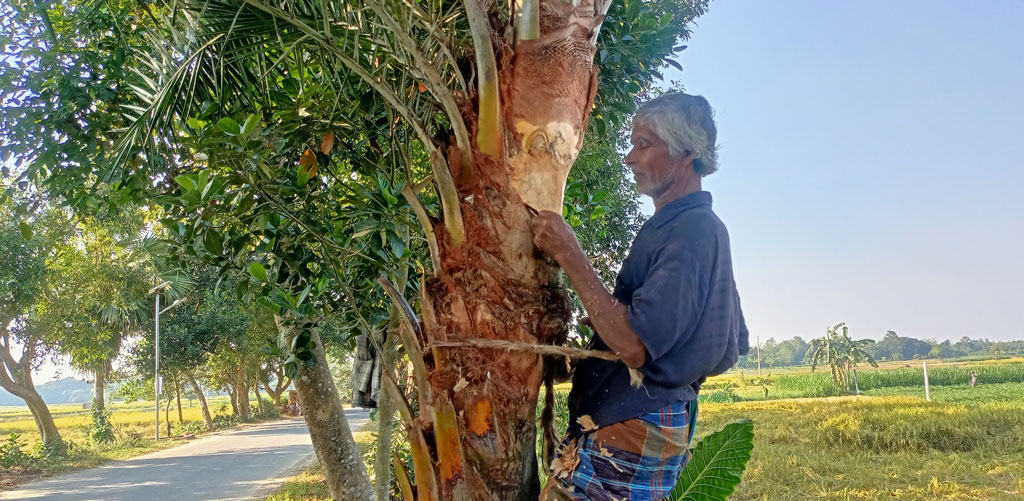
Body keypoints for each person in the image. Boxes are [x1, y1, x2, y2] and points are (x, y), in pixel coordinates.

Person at [532, 92, 749, 500]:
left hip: (632, 420)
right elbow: (727, 348)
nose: (630, 157)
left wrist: (569, 253)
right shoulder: (692, 227)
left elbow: (634, 343)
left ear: (686, 152)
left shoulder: (692, 230)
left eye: (643, 144)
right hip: (651, 417)